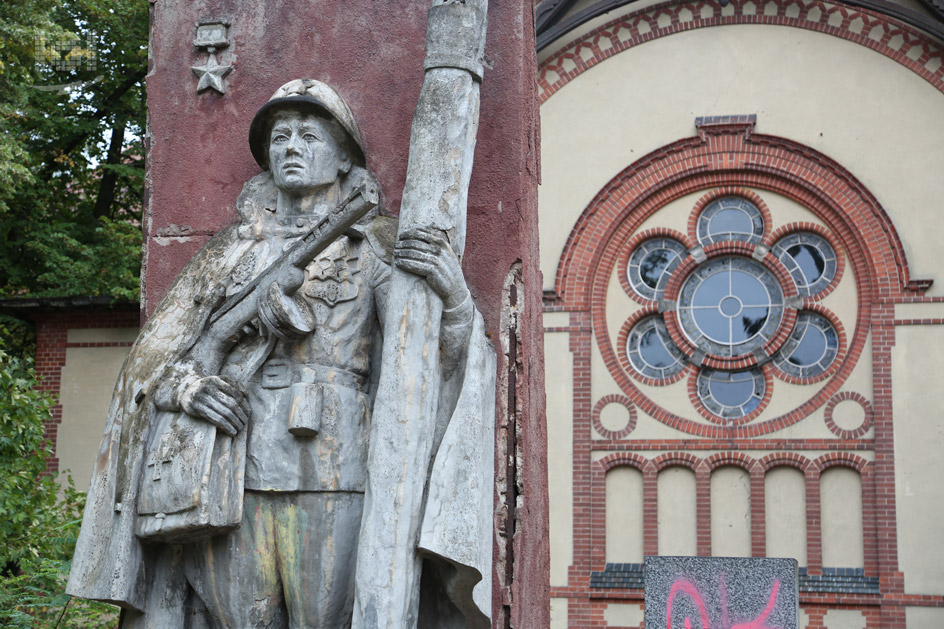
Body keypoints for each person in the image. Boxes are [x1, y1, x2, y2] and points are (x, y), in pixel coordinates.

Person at [67, 79, 493, 628]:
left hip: (340, 470)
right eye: (280, 136)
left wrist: (453, 293)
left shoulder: (377, 246)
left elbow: (434, 364)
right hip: (232, 472)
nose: (290, 146)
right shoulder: (232, 251)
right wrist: (192, 390)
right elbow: (154, 364)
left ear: (344, 159)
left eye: (309, 135)